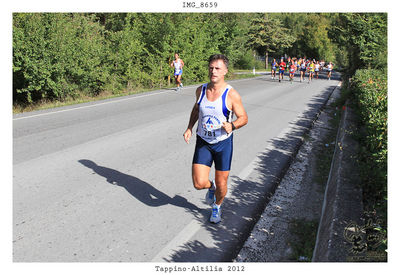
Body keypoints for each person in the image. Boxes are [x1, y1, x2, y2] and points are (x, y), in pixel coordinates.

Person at [183, 54, 248, 224]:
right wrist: (190, 127)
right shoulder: (201, 90)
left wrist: (233, 126)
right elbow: (196, 110)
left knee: (222, 183)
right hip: (203, 141)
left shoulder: (231, 94)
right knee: (198, 183)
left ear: (225, 71)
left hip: (223, 144)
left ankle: (217, 206)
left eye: (218, 68)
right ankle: (210, 187)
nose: (213, 71)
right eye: (211, 68)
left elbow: (243, 118)